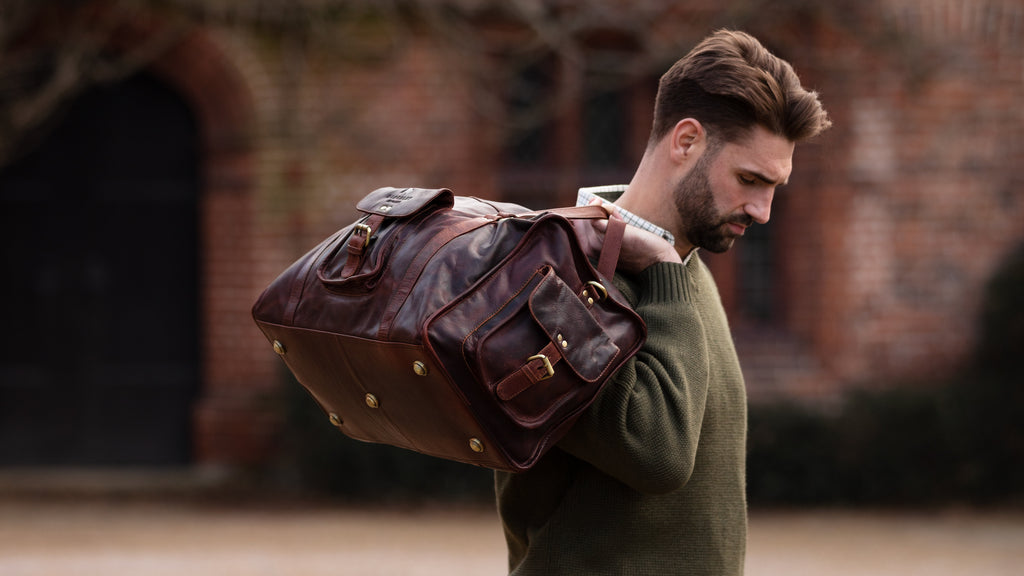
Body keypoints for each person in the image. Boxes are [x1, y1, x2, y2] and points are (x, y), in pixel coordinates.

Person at [495, 29, 831, 575]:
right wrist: (664, 274)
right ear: (686, 141)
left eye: (775, 187)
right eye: (749, 179)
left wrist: (667, 270)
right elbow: (659, 456)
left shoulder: (685, 267)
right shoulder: (556, 285)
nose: (763, 210)